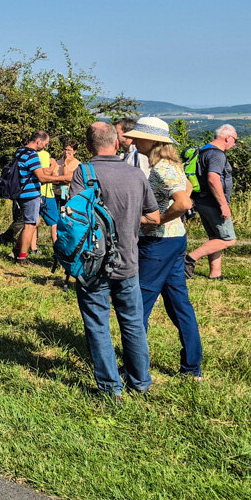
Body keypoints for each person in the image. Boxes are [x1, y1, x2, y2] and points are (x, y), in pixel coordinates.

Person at [67, 122, 160, 399]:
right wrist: (131, 221)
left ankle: (110, 389)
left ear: (87, 147)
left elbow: (76, 220)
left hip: (93, 264)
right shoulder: (136, 174)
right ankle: (141, 383)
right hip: (129, 262)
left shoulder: (84, 173)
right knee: (132, 322)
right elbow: (154, 219)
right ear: (117, 144)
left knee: (97, 324)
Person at [125, 117, 203, 381]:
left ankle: (133, 368)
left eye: (137, 137)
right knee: (179, 304)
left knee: (140, 306)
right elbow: (188, 187)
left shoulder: (161, 169)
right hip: (175, 240)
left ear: (153, 141)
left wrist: (158, 219)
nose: (133, 141)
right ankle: (192, 367)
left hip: (158, 244)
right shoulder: (172, 165)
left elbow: (183, 202)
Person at [185, 125, 239, 279]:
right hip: (213, 203)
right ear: (227, 137)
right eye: (234, 140)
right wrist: (223, 205)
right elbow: (213, 179)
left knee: (216, 237)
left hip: (201, 200)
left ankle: (215, 274)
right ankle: (189, 259)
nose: (234, 144)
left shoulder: (204, 151)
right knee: (228, 239)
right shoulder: (217, 155)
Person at [9, 131, 62, 262]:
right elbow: (42, 177)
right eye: (45, 143)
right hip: (30, 193)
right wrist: (62, 179)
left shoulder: (20, 151)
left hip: (20, 191)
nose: (45, 146)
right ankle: (22, 257)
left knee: (34, 222)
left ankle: (17, 250)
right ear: (38, 141)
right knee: (30, 224)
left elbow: (36, 172)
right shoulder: (32, 155)